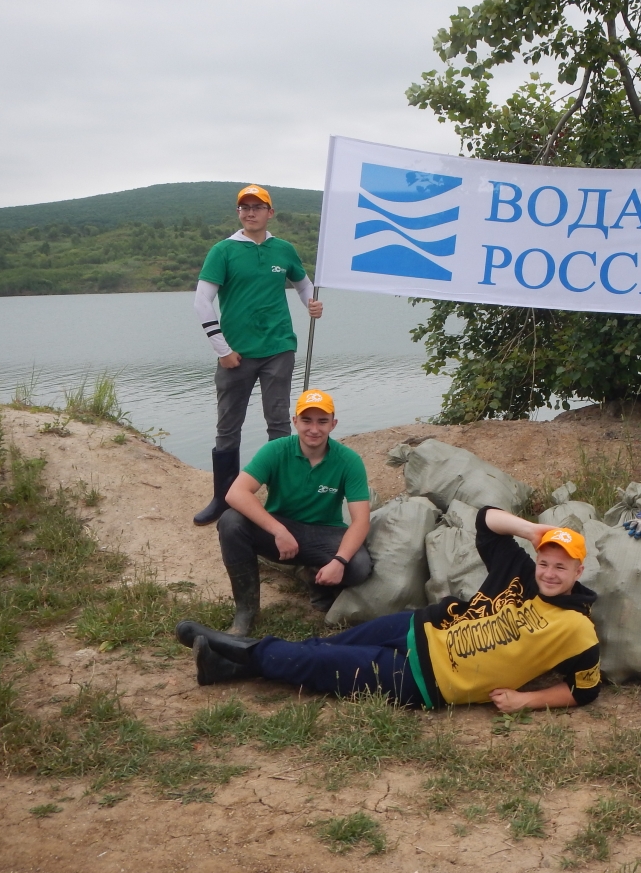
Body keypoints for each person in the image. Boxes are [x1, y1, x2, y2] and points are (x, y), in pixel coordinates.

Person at [175, 507, 601, 713]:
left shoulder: (578, 630)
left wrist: (526, 701)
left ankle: (232, 647)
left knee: (317, 662)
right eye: (545, 561)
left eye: (560, 567)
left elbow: (585, 692)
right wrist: (532, 531)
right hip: (420, 627)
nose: (548, 573)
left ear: (579, 570)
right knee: (323, 649)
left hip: (426, 679)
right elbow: (486, 519)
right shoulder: (522, 570)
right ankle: (223, 668)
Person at [192, 184, 324, 526]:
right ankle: (223, 499)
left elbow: (303, 283)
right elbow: (202, 301)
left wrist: (311, 304)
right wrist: (222, 349)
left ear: (270, 212)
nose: (250, 212)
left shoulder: (284, 250)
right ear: (239, 213)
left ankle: (281, 500)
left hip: (279, 348)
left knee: (279, 424)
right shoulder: (223, 251)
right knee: (228, 427)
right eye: (244, 207)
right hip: (235, 353)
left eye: (257, 206)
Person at [217, 388, 372, 635]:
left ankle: (313, 576)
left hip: (324, 532)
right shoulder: (276, 450)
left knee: (359, 566)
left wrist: (340, 560)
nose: (314, 429)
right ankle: (246, 611)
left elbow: (361, 520)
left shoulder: (349, 461)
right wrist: (278, 530)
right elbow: (235, 493)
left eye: (322, 421)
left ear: (333, 424)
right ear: (294, 421)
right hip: (281, 532)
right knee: (230, 521)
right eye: (306, 420)